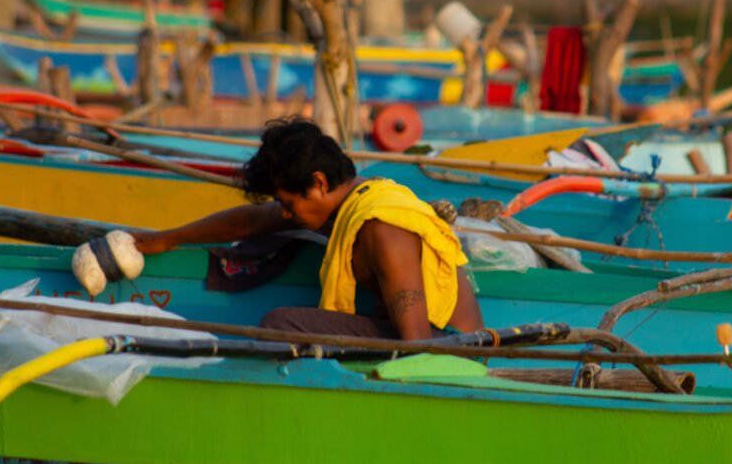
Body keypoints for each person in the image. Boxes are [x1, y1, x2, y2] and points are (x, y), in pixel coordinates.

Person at [132, 118, 484, 341]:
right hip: (424, 338)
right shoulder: (347, 200)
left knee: (280, 324)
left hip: (448, 349)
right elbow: (253, 220)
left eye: (288, 204)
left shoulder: (382, 228)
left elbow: (416, 342)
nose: (284, 215)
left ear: (318, 183)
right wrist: (168, 238)